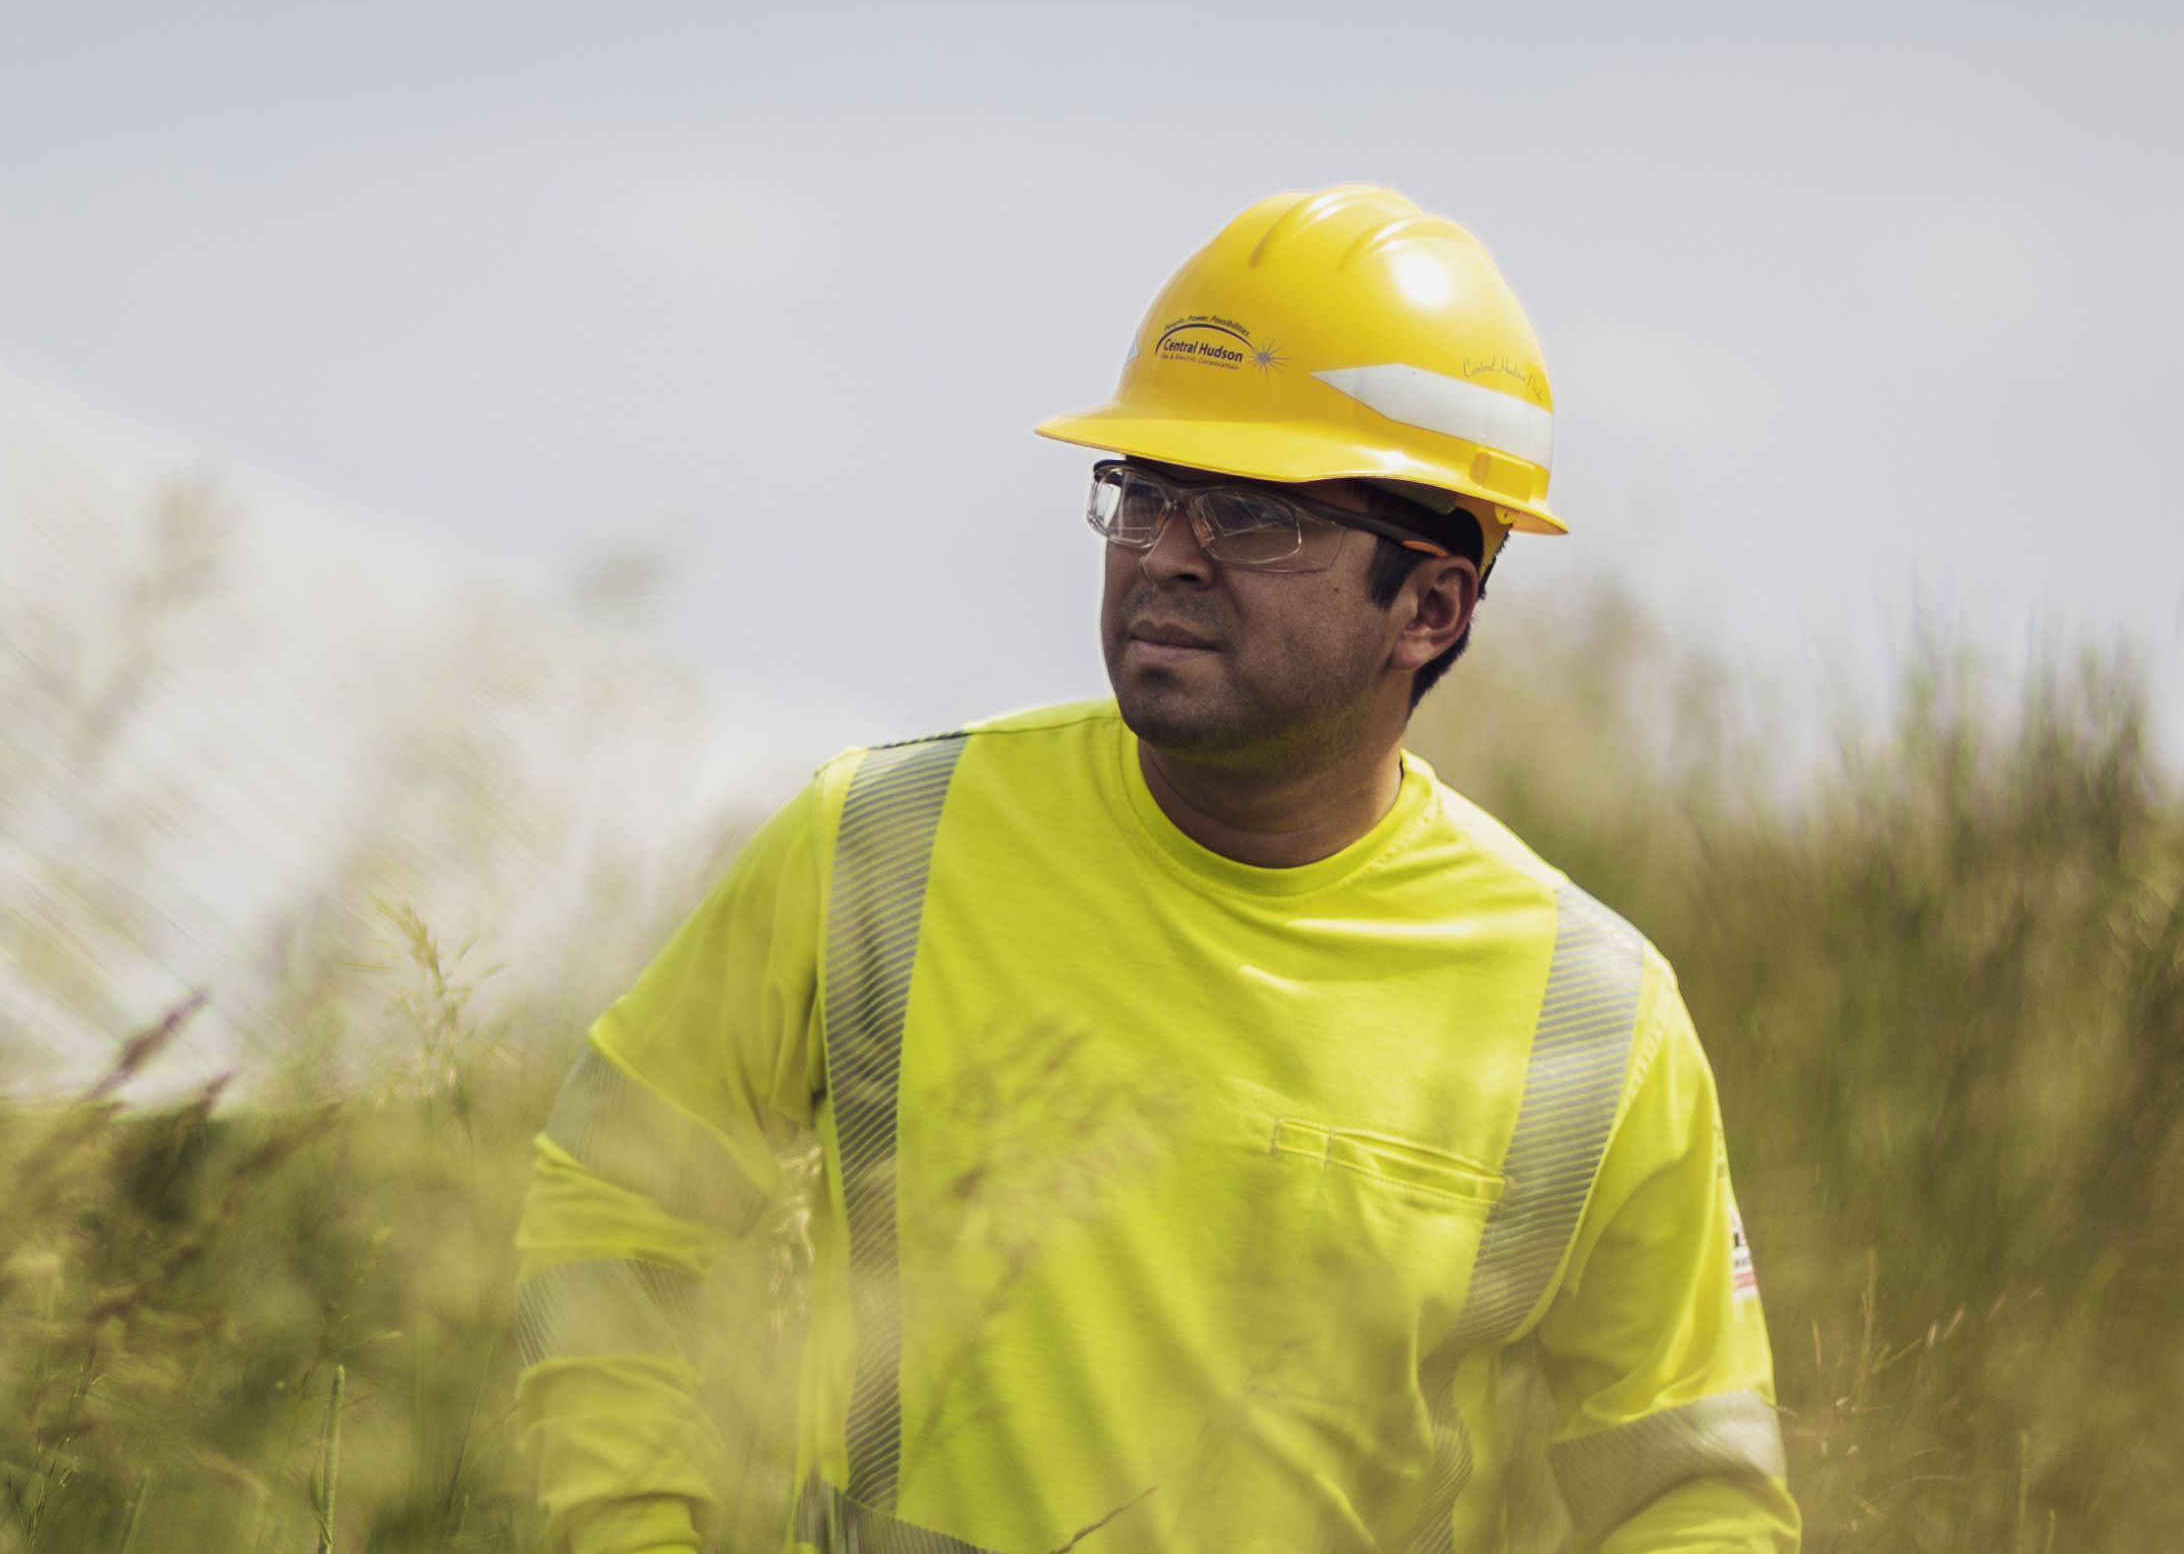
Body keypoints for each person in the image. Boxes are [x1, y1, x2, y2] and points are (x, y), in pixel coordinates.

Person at [510, 187, 1794, 1553]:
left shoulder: (1593, 1021)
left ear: (1429, 606)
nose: (1166, 555)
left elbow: (1691, 1496)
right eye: (1146, 495)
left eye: (1254, 517)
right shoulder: (886, 844)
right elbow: (615, 1204)